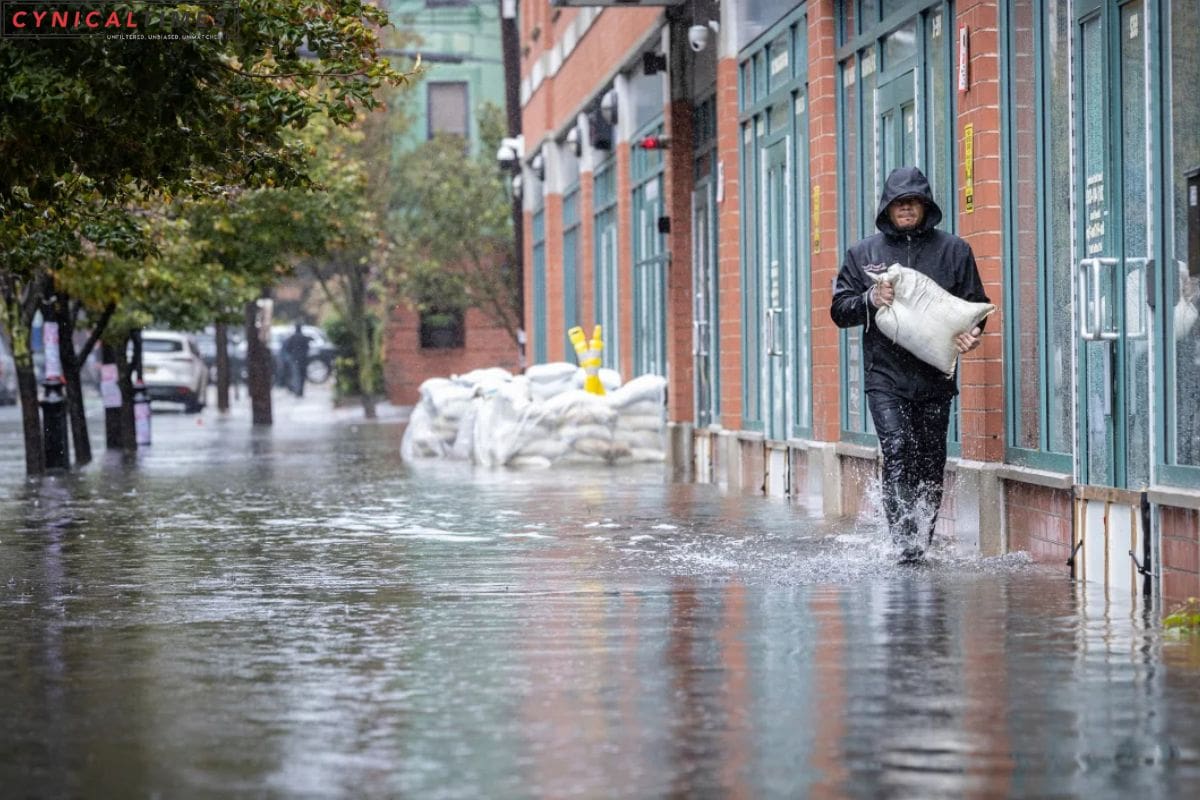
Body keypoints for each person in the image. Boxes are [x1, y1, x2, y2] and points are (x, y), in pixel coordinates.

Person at [831, 166, 990, 563]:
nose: (906, 210)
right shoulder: (863, 254)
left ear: (925, 206)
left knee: (930, 458)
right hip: (884, 376)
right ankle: (904, 542)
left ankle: (923, 538)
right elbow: (839, 310)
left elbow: (974, 307)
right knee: (899, 448)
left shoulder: (954, 250)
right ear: (887, 207)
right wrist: (870, 299)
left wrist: (973, 334)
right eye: (899, 203)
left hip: (935, 377)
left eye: (913, 203)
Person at [282, 323, 310, 398]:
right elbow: (307, 348)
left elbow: (288, 348)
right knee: (302, 376)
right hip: (303, 359)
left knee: (296, 375)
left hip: (295, 359)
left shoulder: (292, 338)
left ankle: (297, 391)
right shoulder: (304, 338)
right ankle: (300, 391)